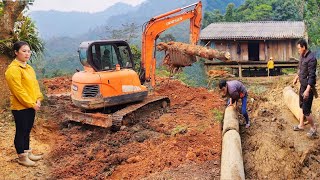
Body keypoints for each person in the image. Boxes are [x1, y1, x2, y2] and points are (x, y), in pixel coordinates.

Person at [5, 41, 43, 166]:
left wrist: (38, 99)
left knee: (27, 130)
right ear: (16, 52)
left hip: (32, 104)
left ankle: (28, 152)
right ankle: (22, 156)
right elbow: (18, 91)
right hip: (20, 107)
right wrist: (31, 103)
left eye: (28, 51)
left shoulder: (29, 68)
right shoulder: (13, 70)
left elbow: (35, 84)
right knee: (21, 131)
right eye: (24, 51)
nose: (27, 54)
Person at [292, 39, 317, 139]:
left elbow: (312, 77)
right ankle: (301, 125)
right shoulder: (302, 56)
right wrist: (296, 77)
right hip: (302, 85)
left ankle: (314, 128)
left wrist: (307, 90)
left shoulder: (311, 59)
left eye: (299, 48)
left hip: (308, 88)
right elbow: (300, 69)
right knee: (302, 106)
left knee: (306, 110)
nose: (298, 50)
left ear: (304, 47)